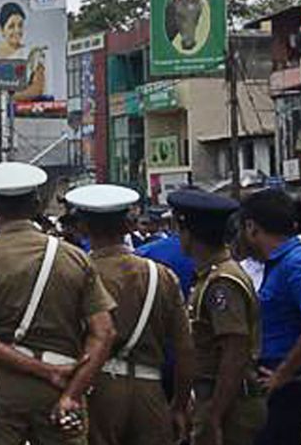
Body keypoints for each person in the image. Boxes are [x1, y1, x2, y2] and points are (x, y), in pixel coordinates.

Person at [0, 161, 117, 445]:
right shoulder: (75, 257)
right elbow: (104, 332)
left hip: (2, 393)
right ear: (37, 204)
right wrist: (71, 393)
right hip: (64, 387)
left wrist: (44, 371)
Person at [67, 184, 193, 445]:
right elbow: (184, 348)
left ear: (83, 228)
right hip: (149, 390)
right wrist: (180, 405)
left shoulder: (76, 274)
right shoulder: (162, 275)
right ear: (128, 225)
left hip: (94, 389)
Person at [236, 189, 301, 445]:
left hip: (293, 385)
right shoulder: (278, 263)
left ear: (252, 227)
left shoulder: (296, 264)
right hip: (280, 382)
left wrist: (284, 372)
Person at [173, 190, 265, 445]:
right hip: (216, 398)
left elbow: (234, 351)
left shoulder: (222, 283)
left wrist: (215, 414)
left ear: (189, 234)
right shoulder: (212, 276)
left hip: (229, 405)